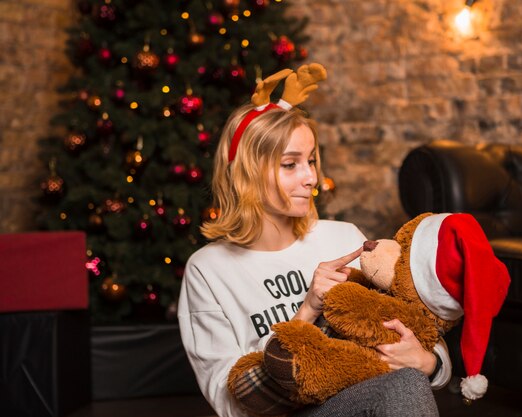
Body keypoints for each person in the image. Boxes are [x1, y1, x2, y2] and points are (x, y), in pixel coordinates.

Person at [177, 64, 451, 417]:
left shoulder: (344, 237)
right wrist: (308, 309)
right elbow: (230, 403)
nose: (312, 178)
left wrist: (428, 362)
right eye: (290, 165)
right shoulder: (208, 269)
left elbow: (415, 322)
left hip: (372, 401)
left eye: (311, 160)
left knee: (405, 383)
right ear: (247, 173)